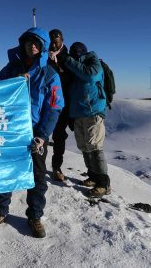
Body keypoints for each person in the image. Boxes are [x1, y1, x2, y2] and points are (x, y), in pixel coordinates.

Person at [0, 27, 64, 238]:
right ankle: (0, 211)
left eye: (37, 42)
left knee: (37, 176)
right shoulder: (9, 70)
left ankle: (35, 216)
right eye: (28, 42)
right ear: (23, 44)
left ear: (44, 47)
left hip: (36, 134)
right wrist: (14, 83)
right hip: (10, 132)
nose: (32, 45)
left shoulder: (49, 74)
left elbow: (54, 107)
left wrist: (43, 135)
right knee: (4, 172)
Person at [62, 42, 111, 197]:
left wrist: (67, 60)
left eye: (76, 52)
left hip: (93, 111)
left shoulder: (93, 61)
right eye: (72, 52)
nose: (74, 54)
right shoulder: (73, 66)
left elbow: (90, 75)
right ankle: (93, 176)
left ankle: (104, 184)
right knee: (84, 146)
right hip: (78, 113)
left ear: (83, 52)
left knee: (95, 146)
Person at [46, 29, 72, 182]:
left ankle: (56, 167)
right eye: (51, 41)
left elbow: (68, 80)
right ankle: (36, 167)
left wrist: (56, 66)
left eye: (56, 41)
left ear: (62, 40)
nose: (53, 43)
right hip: (44, 102)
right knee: (38, 135)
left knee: (59, 136)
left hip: (61, 105)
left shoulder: (67, 58)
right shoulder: (43, 56)